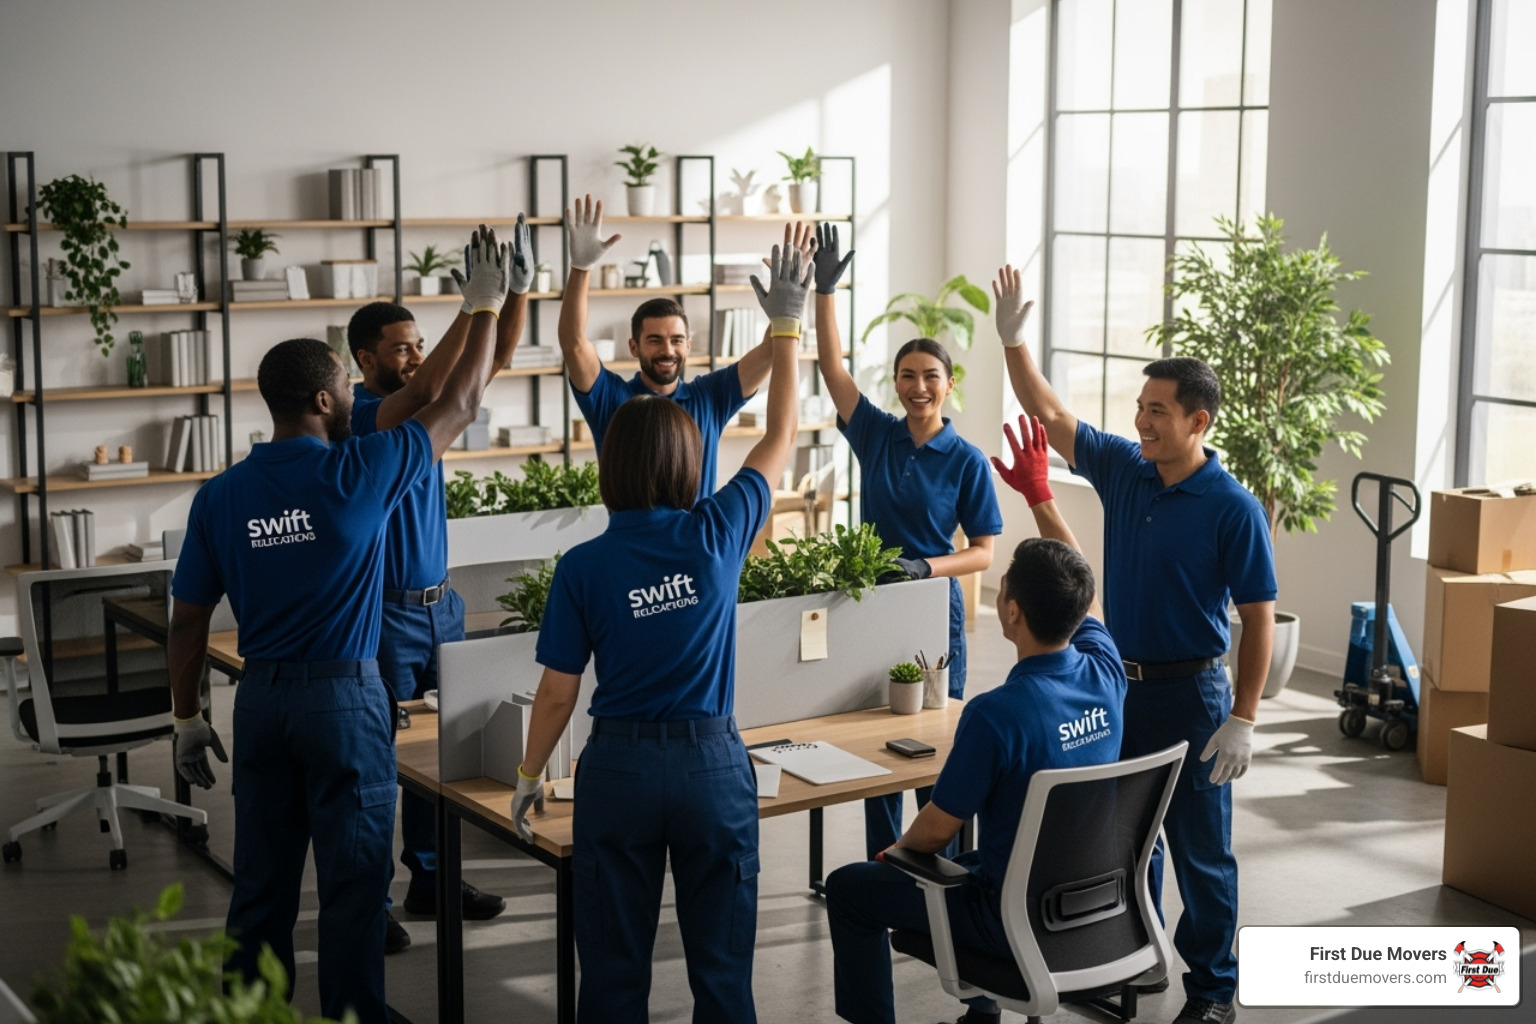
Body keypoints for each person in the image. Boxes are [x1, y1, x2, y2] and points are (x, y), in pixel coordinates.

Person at [165, 227, 513, 1024]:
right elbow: (457, 401)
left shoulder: (219, 496)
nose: (360, 403)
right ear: (324, 398)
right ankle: (356, 1014)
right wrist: (485, 303)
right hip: (343, 701)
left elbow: (187, 622)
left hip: (260, 704)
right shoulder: (365, 468)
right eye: (348, 393)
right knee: (355, 880)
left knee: (262, 879)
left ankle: (252, 1013)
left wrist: (185, 717)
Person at [507, 242, 811, 1024]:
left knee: (612, 975)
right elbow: (781, 435)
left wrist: (530, 774)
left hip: (621, 772)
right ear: (689, 460)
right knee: (721, 975)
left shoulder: (582, 566)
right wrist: (788, 325)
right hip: (713, 766)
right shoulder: (719, 532)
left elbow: (555, 691)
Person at [991, 265, 1276, 1024]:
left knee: (1199, 850)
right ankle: (1138, 961)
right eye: (1140, 408)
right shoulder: (1125, 468)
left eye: (1158, 411)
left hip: (1193, 695)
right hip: (1121, 684)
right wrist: (1015, 342)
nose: (1143, 421)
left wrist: (1243, 715)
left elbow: (1260, 616)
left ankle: (1213, 991)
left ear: (1199, 421)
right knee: (1125, 842)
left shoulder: (1233, 508)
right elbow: (1049, 415)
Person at [824, 414, 1126, 1024]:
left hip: (1006, 912)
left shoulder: (995, 715)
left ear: (1010, 612)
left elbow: (932, 832)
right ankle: (980, 1012)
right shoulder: (1107, 667)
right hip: (1088, 901)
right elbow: (1084, 590)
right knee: (970, 861)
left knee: (851, 887)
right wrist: (1041, 493)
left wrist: (890, 857)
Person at [345, 220, 532, 951]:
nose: (416, 357)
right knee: (377, 767)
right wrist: (473, 303)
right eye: (400, 346)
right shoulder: (365, 416)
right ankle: (367, 904)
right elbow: (430, 386)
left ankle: (431, 879)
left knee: (440, 760)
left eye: (418, 343)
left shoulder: (431, 404)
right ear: (364, 360)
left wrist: (513, 291)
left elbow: (500, 355)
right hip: (384, 616)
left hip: (440, 608)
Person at [809, 223, 1002, 860]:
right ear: (896, 383)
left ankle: (936, 864)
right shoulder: (876, 434)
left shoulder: (967, 460)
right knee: (874, 743)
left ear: (949, 384)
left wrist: (925, 568)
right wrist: (825, 292)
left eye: (930, 376)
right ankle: (882, 864)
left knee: (932, 743)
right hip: (872, 605)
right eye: (906, 376)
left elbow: (984, 553)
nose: (918, 387)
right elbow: (832, 369)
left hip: (930, 609)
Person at [557, 194, 812, 499]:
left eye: (677, 340)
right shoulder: (612, 399)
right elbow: (573, 345)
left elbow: (771, 351)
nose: (668, 350)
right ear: (634, 347)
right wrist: (581, 268)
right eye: (654, 340)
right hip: (633, 543)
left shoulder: (710, 396)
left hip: (694, 541)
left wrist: (790, 303)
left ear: (688, 346)